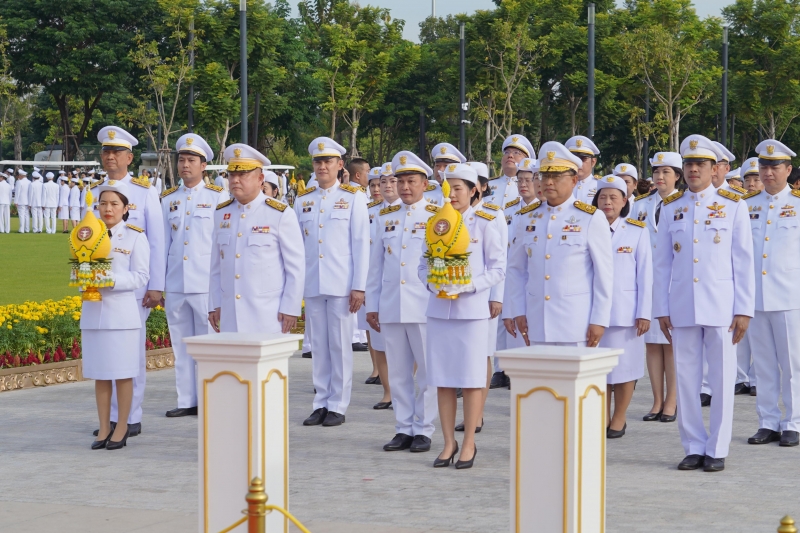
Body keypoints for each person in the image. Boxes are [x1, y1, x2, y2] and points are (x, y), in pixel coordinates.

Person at [653, 134, 754, 472]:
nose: (694, 169)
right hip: (682, 305)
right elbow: (662, 263)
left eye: (700, 164)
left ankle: (718, 447)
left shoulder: (733, 204)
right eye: (689, 164)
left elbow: (743, 261)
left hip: (722, 306)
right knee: (686, 378)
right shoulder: (671, 207)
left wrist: (743, 309)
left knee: (723, 379)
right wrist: (661, 308)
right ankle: (693, 445)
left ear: (715, 170)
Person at [420, 163, 505, 469]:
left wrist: (471, 286)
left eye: (459, 189)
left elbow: (498, 268)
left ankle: (469, 441)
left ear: (473, 191)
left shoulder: (484, 222)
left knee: (470, 381)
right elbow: (422, 263)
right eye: (448, 187)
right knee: (441, 380)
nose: (452, 194)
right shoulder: (436, 221)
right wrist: (431, 283)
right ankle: (447, 443)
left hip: (471, 313)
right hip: (440, 311)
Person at [91, 126, 166, 440]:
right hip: (97, 290)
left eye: (117, 152)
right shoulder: (93, 192)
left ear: (129, 157)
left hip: (134, 288)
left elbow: (158, 241)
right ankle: (109, 421)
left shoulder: (144, 191)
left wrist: (156, 285)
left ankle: (131, 417)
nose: (110, 157)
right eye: (106, 151)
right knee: (105, 356)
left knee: (130, 353)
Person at [505, 141, 613, 351]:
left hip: (576, 323)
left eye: (556, 176)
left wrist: (599, 319)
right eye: (545, 175)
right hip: (536, 320)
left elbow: (604, 274)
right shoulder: (526, 218)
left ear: (573, 180)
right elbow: (516, 269)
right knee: (541, 384)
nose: (549, 182)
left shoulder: (590, 218)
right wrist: (518, 310)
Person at [366, 151, 439, 452]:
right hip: (392, 303)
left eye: (412, 181)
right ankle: (403, 427)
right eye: (401, 181)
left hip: (423, 305)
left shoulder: (437, 215)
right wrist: (373, 304)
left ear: (424, 184)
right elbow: (375, 265)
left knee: (426, 371)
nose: (405, 187)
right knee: (397, 372)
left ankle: (424, 428)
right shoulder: (384, 217)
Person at [295, 137, 369, 427]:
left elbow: (362, 243)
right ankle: (320, 402)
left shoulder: (354, 197)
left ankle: (338, 403)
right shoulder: (303, 200)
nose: (322, 166)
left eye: (328, 161)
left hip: (341, 284)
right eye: (317, 161)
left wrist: (359, 286)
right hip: (313, 282)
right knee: (319, 347)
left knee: (339, 346)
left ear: (340, 165)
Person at [160, 134, 228, 418]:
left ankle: (211, 400)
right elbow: (163, 244)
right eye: (182, 160)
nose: (185, 165)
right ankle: (187, 399)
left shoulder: (217, 197)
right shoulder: (168, 199)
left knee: (209, 346)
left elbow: (222, 245)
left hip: (204, 284)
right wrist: (159, 284)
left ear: (204, 165)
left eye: (191, 160)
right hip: (177, 281)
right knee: (181, 344)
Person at [82, 179, 150, 450]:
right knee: (101, 374)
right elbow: (79, 265)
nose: (108, 209)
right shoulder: (87, 233)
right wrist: (81, 278)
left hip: (122, 315)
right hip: (94, 313)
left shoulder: (135, 236)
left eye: (114, 204)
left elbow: (141, 276)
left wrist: (110, 280)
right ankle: (103, 427)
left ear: (125, 208)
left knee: (122, 373)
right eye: (103, 203)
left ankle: (122, 426)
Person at [208, 144, 304, 336]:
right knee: (233, 366)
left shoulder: (280, 213)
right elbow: (216, 265)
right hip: (230, 314)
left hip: (268, 315)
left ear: (260, 178)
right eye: (232, 175)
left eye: (243, 174)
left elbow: (296, 266)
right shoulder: (222, 212)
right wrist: (214, 303)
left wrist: (291, 307)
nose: (235, 180)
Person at [744, 139, 800, 448]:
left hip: (791, 296)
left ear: (788, 170)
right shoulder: (747, 205)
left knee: (793, 365)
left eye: (774, 167)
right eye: (763, 167)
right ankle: (767, 421)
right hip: (755, 297)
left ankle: (793, 421)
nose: (767, 173)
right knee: (763, 365)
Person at [592, 175, 652, 438]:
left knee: (626, 369)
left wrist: (644, 312)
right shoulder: (587, 227)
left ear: (625, 201)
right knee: (599, 370)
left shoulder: (637, 230)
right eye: (602, 197)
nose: (607, 202)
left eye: (613, 197)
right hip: (594, 312)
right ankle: (601, 414)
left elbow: (645, 275)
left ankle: (620, 416)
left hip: (626, 311)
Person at [631, 152, 682, 422]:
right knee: (652, 344)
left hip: (674, 282)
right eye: (656, 172)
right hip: (646, 282)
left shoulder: (683, 203)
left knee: (671, 344)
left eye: (666, 172)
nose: (660, 177)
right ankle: (657, 401)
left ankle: (672, 400)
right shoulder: (640, 204)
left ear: (677, 176)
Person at [484, 135, 532, 390]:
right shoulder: (491, 186)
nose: (510, 157)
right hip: (494, 257)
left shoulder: (526, 189)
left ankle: (515, 367)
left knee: (513, 313)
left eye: (516, 153)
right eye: (507, 153)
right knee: (498, 316)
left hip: (515, 258)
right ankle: (499, 368)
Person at [362, 164, 396, 410]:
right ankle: (388, 391)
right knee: (379, 341)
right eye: (382, 182)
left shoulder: (423, 212)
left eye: (391, 181)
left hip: (402, 286)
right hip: (376, 283)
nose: (386, 186)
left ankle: (401, 386)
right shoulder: (369, 211)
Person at [426, 143, 465, 207]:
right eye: (437, 166)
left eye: (446, 166)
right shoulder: (425, 194)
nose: (440, 170)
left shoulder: (463, 195)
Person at [566, 135, 600, 204]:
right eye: (574, 159)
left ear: (593, 162)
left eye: (583, 159)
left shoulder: (600, 186)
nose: (578, 163)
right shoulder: (562, 185)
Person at [14, 169, 30, 233]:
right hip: (27, 201)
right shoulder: (29, 182)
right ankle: (27, 229)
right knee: (27, 215)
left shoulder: (19, 182)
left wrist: (15, 201)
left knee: (21, 215)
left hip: (21, 201)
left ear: (21, 175)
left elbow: (17, 192)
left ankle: (21, 229)